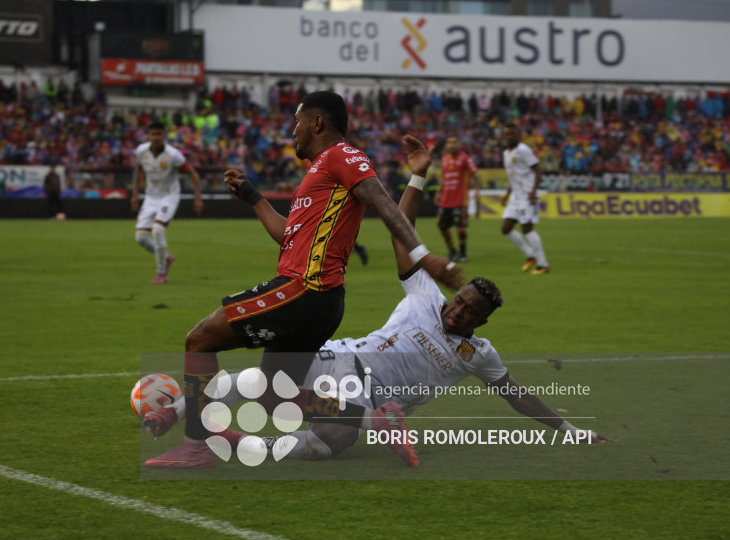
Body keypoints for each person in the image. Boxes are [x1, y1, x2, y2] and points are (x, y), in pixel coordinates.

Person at [144, 134, 609, 464]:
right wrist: (417, 177)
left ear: (481, 322)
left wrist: (570, 430)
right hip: (339, 361)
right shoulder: (426, 295)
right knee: (258, 384)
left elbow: (517, 396)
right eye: (460, 300)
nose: (458, 309)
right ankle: (177, 411)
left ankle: (237, 442)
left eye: (470, 311)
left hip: (366, 395)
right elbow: (401, 231)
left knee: (327, 444)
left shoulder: (479, 354)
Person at [143, 91, 463, 469]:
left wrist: (423, 256)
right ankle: (375, 420)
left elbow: (382, 202)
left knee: (199, 339)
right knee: (271, 394)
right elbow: (289, 236)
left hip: (306, 288)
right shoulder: (319, 172)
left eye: (296, 121)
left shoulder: (343, 155)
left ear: (317, 123)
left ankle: (197, 446)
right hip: (320, 299)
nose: (292, 130)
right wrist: (254, 197)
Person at [131, 121, 203, 284]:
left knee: (157, 231)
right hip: (150, 196)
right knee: (141, 238)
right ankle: (166, 257)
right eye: (153, 134)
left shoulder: (173, 155)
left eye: (159, 134)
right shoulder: (141, 151)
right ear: (148, 136)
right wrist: (135, 194)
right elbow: (139, 169)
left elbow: (192, 173)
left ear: (164, 135)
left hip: (169, 196)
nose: (156, 137)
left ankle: (161, 272)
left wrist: (198, 197)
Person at [501, 123, 549, 274]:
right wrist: (507, 194)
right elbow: (513, 176)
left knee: (527, 228)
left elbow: (538, 169)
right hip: (515, 199)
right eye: (507, 134)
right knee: (506, 228)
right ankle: (530, 254)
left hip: (527, 197)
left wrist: (533, 192)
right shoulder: (506, 153)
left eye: (512, 134)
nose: (510, 137)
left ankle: (543, 264)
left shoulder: (523, 150)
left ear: (518, 135)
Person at [434, 134, 479, 262]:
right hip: (445, 200)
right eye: (449, 142)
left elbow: (475, 175)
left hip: (460, 200)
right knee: (441, 225)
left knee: (460, 226)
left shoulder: (465, 159)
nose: (452, 145)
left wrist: (477, 190)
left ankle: (463, 254)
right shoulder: (444, 159)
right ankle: (452, 250)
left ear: (460, 145)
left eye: (454, 142)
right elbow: (443, 177)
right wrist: (438, 192)